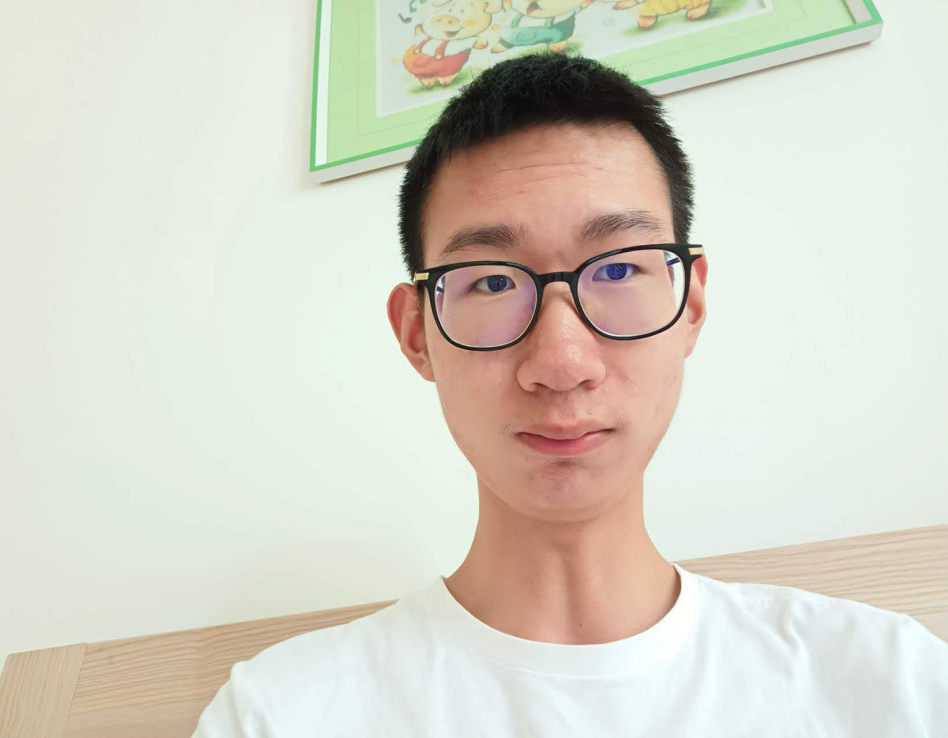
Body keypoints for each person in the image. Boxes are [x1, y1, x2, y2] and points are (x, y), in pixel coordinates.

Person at [192, 53, 947, 736]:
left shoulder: (889, 681)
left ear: (690, 304)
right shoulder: (279, 714)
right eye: (492, 282)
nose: (560, 362)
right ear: (417, 333)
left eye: (618, 269)